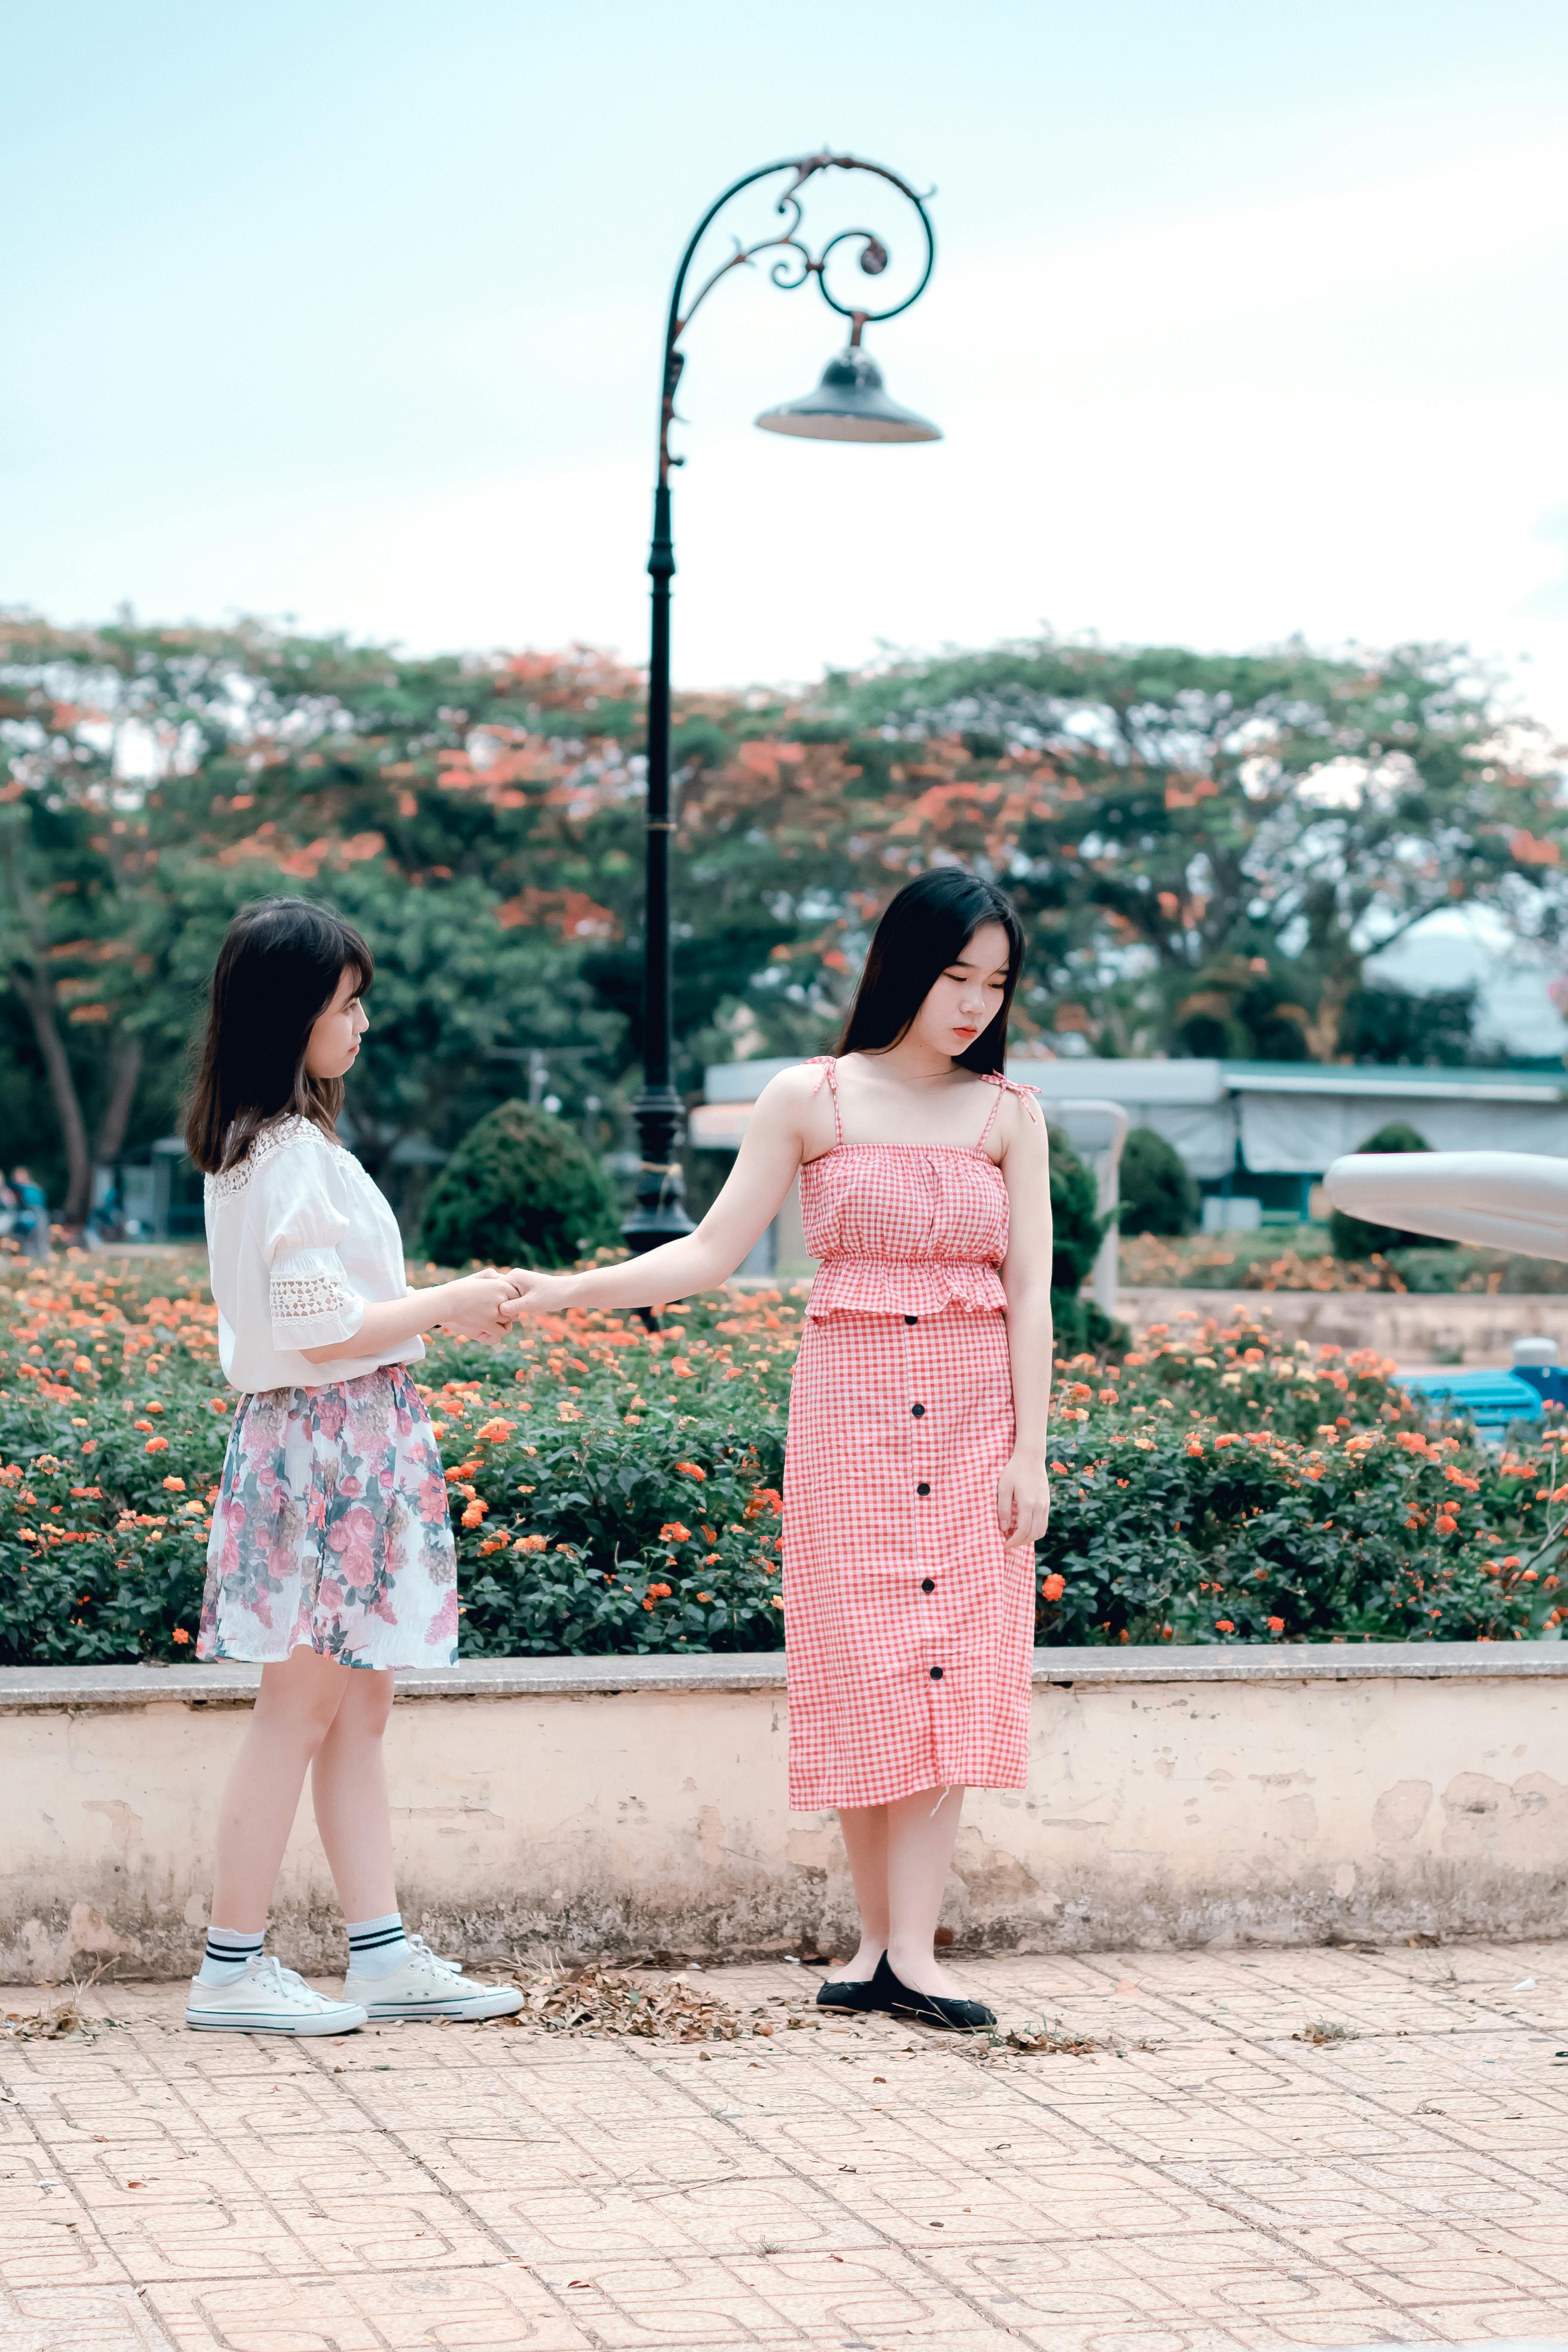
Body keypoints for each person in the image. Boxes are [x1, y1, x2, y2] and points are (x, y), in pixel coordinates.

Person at [501, 868, 1054, 2029]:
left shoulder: (1010, 1115)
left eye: (995, 983)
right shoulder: (811, 1099)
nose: (973, 1003)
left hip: (970, 1429)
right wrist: (562, 1293)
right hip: (848, 1422)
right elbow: (706, 1252)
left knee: (950, 1665)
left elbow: (1033, 1296)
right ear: (905, 966)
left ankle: (917, 1951)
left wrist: (1030, 1454)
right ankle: (874, 1946)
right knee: (864, 1665)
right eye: (956, 976)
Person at [183, 897, 527, 2036]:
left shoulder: (283, 1148)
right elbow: (322, 1322)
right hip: (330, 1438)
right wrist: (459, 1303)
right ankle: (232, 1967)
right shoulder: (281, 1156)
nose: (363, 1021)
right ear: (295, 1016)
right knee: (302, 1708)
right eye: (346, 1003)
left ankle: (377, 1953)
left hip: (344, 1436)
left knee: (353, 1710)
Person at [12, 1167, 51, 1260]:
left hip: (38, 1217)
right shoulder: (17, 1189)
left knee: (40, 1241)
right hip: (23, 1220)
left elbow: (38, 1204)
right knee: (26, 1243)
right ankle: (29, 1258)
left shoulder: (32, 1188)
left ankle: (43, 1259)